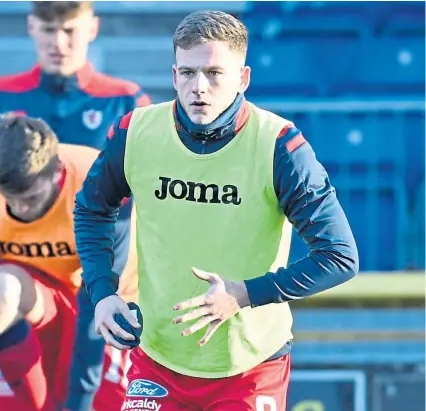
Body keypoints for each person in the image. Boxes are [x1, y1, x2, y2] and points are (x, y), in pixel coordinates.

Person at [74, 10, 359, 411]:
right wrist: (103, 292)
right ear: (174, 75)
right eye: (188, 73)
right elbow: (92, 209)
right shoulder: (134, 132)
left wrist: (244, 294)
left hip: (249, 365)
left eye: (213, 73)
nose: (199, 88)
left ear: (243, 78)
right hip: (157, 359)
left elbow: (340, 256)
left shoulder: (279, 145)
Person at [0, 1, 149, 408]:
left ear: (92, 28)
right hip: (29, 284)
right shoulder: (0, 96)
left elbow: (144, 209)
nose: (58, 42)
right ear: (30, 27)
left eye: (70, 31)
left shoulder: (126, 101)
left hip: (101, 280)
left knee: (96, 400)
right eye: (47, 30)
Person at [0, 115, 135, 411]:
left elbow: (99, 293)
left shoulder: (97, 179)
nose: (20, 209)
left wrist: (77, 403)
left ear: (56, 171)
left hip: (104, 302)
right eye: (10, 199)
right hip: (38, 304)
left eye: (30, 198)